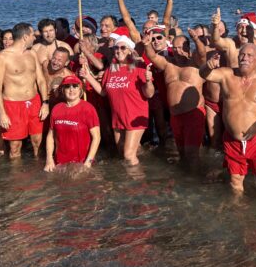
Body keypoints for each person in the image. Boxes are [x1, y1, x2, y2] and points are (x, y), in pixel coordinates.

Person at [200, 43, 256, 195]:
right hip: (232, 141)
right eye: (242, 54)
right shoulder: (227, 74)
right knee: (235, 183)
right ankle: (238, 215)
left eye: (249, 56)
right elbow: (204, 74)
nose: (244, 58)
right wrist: (207, 66)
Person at [80, 34, 154, 166]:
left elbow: (149, 94)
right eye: (116, 48)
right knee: (121, 151)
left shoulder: (139, 69)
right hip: (118, 118)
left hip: (135, 116)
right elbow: (103, 92)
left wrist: (148, 81)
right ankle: (146, 162)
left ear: (130, 51)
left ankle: (138, 183)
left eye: (123, 48)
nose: (119, 51)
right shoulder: (110, 70)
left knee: (128, 155)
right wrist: (88, 76)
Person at [142, 32, 205, 165]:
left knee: (192, 155)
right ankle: (185, 182)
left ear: (188, 47)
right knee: (181, 154)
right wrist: (147, 44)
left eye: (181, 47)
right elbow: (152, 56)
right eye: (175, 48)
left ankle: (197, 180)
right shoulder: (168, 65)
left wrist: (196, 39)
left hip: (193, 114)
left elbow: (203, 53)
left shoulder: (195, 63)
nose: (178, 51)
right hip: (175, 116)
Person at [0, 23, 49, 157]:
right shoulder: (3, 57)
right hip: (13, 105)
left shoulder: (32, 53)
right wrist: (2, 113)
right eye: (32, 36)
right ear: (25, 37)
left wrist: (45, 103)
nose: (34, 39)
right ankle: (15, 175)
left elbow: (41, 80)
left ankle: (37, 170)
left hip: (34, 102)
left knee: (37, 141)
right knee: (15, 147)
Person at [44, 75, 100, 172]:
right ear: (63, 90)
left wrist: (88, 162)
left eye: (74, 86)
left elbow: (97, 137)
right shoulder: (57, 109)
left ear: (80, 89)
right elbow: (50, 136)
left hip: (81, 163)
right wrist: (49, 159)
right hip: (60, 163)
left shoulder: (88, 109)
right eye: (67, 86)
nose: (71, 89)